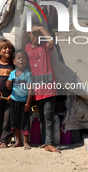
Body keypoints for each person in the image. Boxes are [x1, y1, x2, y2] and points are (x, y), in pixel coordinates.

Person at [25, 25, 60, 153]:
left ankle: (50, 143)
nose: (36, 36)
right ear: (28, 34)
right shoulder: (27, 48)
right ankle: (46, 142)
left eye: (38, 34)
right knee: (42, 117)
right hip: (37, 88)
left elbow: (51, 41)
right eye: (33, 34)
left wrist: (40, 28)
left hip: (49, 87)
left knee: (48, 115)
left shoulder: (46, 46)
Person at [6, 50, 33, 150]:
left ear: (27, 61)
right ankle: (18, 141)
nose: (21, 60)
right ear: (14, 61)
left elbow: (31, 88)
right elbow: (9, 87)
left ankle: (26, 142)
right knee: (15, 122)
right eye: (18, 58)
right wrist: (8, 85)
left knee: (24, 122)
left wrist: (28, 102)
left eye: (24, 58)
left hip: (24, 102)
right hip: (14, 100)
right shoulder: (12, 73)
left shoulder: (28, 74)